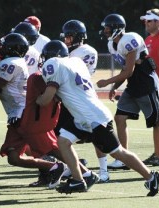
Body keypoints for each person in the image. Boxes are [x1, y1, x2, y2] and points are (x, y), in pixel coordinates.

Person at [37, 40, 159, 196]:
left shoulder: (54, 63)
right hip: (83, 117)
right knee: (63, 141)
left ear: (51, 56)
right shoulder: (75, 62)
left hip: (94, 118)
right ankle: (79, 180)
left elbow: (46, 99)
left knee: (118, 153)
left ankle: (151, 176)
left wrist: (33, 100)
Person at [0, 33, 69, 189]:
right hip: (17, 116)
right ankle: (51, 169)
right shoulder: (14, 61)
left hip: (24, 116)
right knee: (14, 158)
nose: (0, 50)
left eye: (3, 47)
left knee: (50, 148)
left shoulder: (11, 63)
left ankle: (83, 171)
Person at [97, 13, 159, 172]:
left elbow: (129, 71)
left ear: (116, 28)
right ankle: (124, 157)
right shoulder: (112, 45)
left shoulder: (129, 39)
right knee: (119, 117)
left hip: (147, 84)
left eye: (108, 28)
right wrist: (114, 86)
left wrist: (107, 82)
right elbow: (125, 70)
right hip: (133, 85)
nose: (105, 31)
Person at [59, 19, 109, 182]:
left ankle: (104, 170)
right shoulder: (68, 51)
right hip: (68, 98)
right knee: (63, 135)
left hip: (82, 98)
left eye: (69, 37)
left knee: (97, 135)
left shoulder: (86, 51)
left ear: (78, 37)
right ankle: (71, 166)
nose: (66, 40)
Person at [139, 9, 159, 168]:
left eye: (149, 20)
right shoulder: (149, 39)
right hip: (154, 86)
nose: (146, 23)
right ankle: (158, 155)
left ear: (158, 22)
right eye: (146, 20)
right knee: (157, 121)